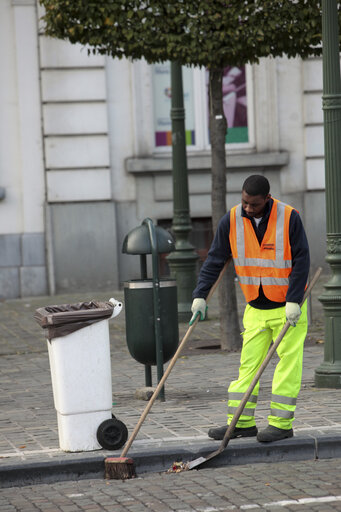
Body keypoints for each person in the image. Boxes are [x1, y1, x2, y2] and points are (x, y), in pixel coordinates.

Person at [190, 175, 310, 443]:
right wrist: (200, 295)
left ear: (267, 199)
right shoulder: (231, 220)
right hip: (255, 307)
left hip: (288, 309)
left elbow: (302, 259)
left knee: (288, 366)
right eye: (244, 202)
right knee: (248, 367)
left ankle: (281, 424)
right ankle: (242, 423)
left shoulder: (289, 217)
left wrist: (293, 300)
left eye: (253, 205)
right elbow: (215, 259)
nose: (247, 208)